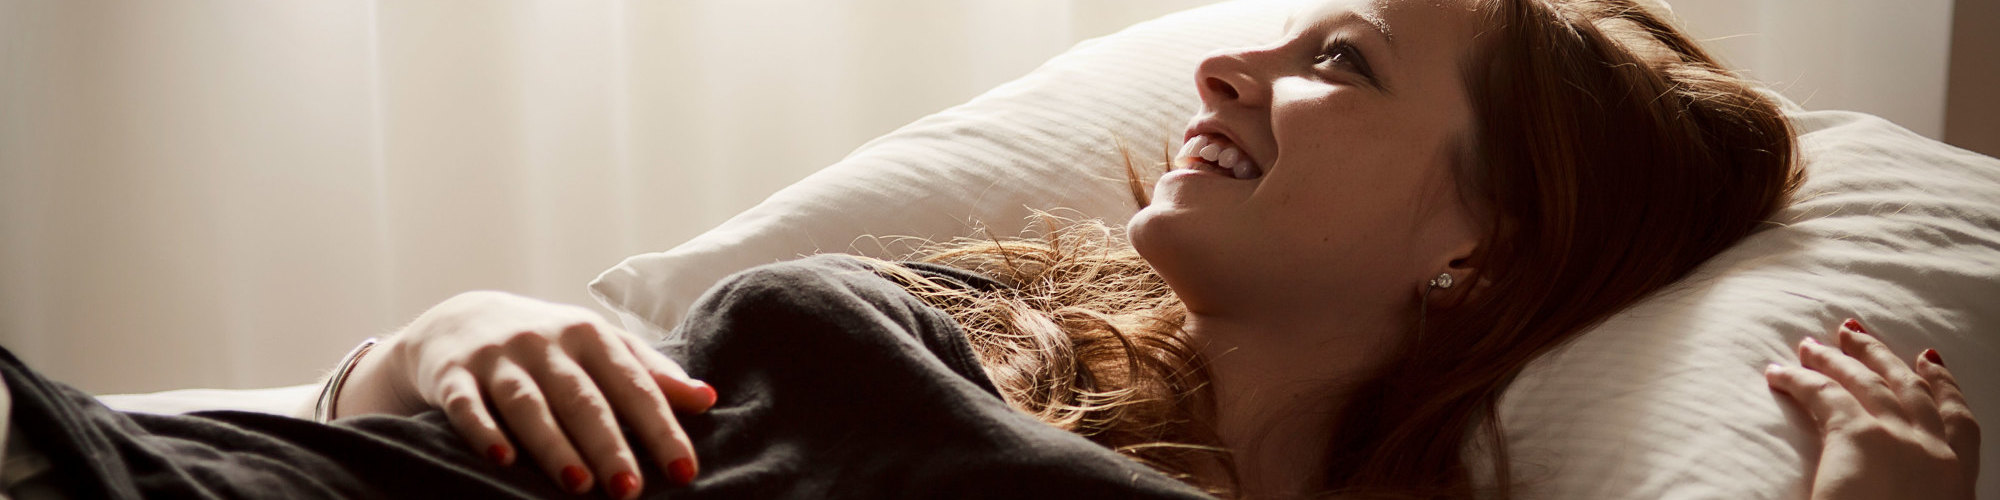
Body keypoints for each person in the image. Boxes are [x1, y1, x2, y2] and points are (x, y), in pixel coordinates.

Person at [0, 0, 1975, 499]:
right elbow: (372, 422)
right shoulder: (1006, 324)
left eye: (1340, 64)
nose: (1226, 56)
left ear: (1476, 257)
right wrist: (454, 329)